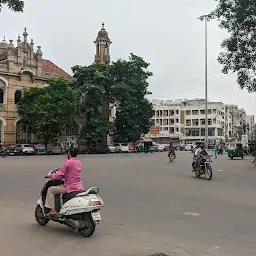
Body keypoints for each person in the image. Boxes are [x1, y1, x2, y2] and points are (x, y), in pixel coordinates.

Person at [45, 147, 84, 216]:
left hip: (70, 187)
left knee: (50, 190)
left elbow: (59, 175)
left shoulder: (67, 163)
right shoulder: (79, 162)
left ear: (69, 153)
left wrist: (50, 176)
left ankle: (52, 210)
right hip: (79, 186)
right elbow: (72, 172)